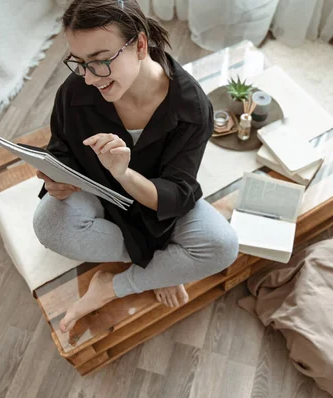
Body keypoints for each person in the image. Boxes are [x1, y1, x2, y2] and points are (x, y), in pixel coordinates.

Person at [32, 0, 239, 333]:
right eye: (80, 63)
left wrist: (124, 174)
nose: (89, 77)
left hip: (156, 203)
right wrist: (55, 176)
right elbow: (62, 147)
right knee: (48, 224)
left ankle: (112, 286)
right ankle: (163, 267)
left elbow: (176, 193)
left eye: (100, 61)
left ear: (140, 45)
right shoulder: (75, 92)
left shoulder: (192, 108)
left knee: (223, 246)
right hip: (98, 192)